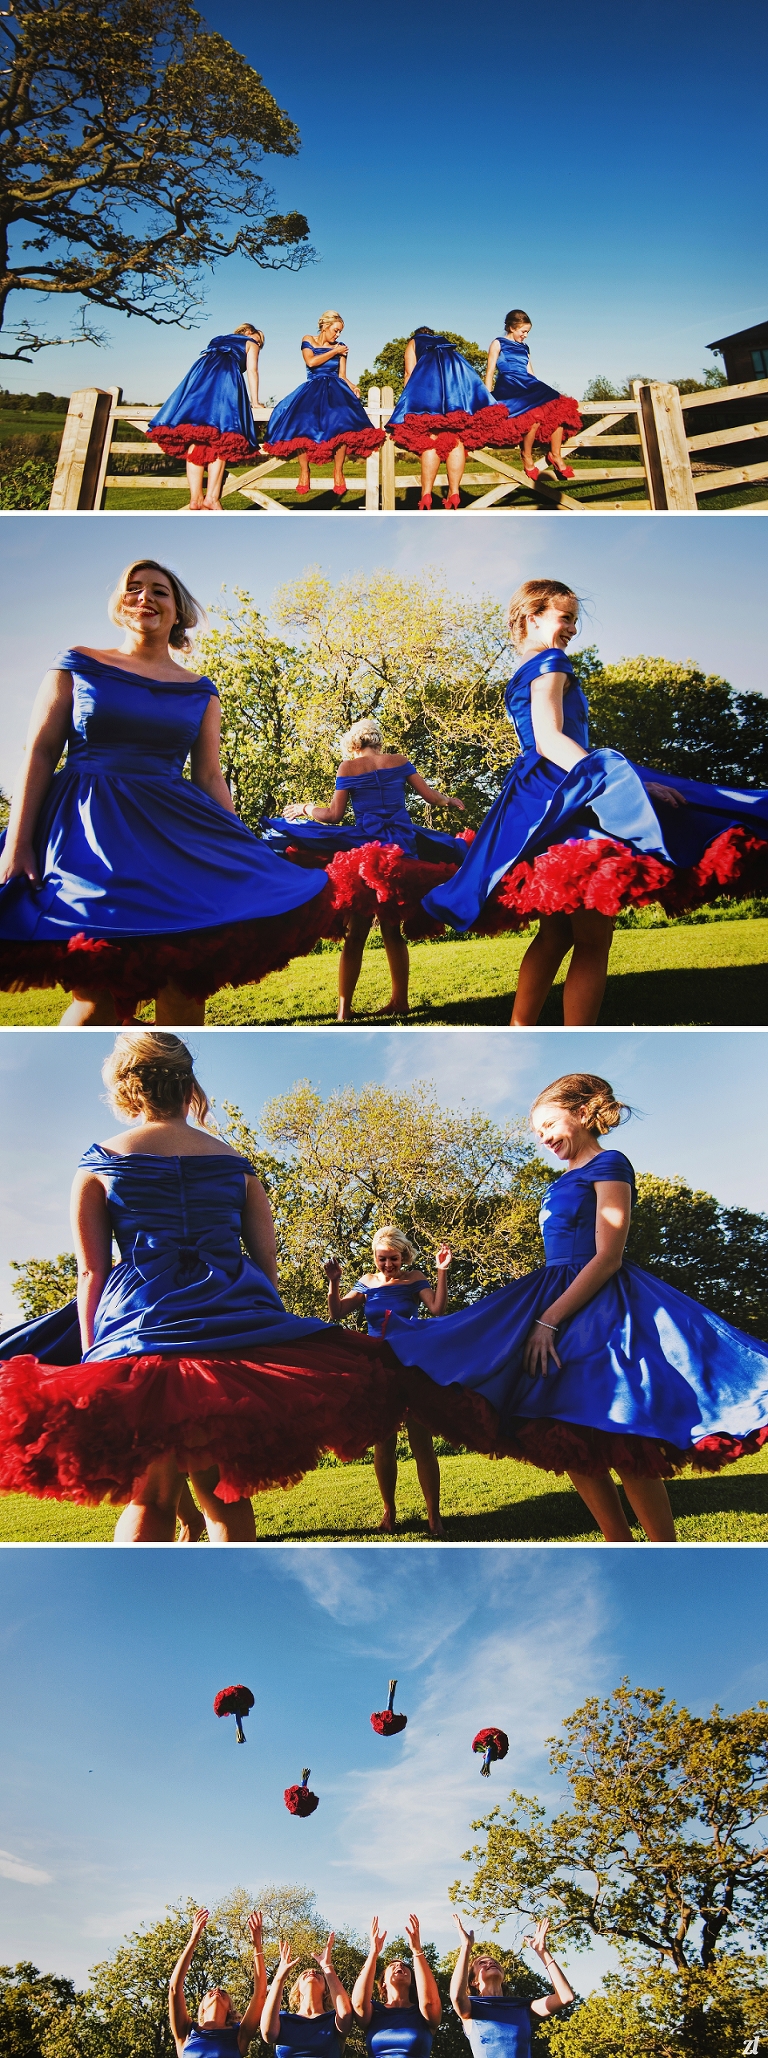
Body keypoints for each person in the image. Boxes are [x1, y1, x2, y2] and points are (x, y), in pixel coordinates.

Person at [0, 1032, 418, 1541]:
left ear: (128, 1088)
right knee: (224, 1493)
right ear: (188, 1085)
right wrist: (272, 1336)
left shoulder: (99, 1164)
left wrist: (94, 1356)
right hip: (234, 1333)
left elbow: (91, 1272)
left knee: (151, 1498)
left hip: (142, 1331)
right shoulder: (236, 1166)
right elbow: (266, 1262)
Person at [360, 1073, 768, 1543]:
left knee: (620, 1428)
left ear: (584, 1112)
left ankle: (663, 1547)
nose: (544, 1138)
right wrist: (541, 1315)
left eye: (549, 1125)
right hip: (548, 1293)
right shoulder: (559, 1182)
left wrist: (548, 1321)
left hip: (598, 1306)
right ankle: (618, 1543)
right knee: (564, 1429)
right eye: (538, 1132)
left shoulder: (610, 1164)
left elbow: (608, 1256)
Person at [421, 578, 768, 1025]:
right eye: (565, 617)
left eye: (574, 620)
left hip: (536, 796)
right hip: (565, 791)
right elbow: (550, 739)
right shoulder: (550, 661)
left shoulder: (524, 667)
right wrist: (629, 785)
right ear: (533, 616)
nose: (572, 629)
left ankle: (519, 1028)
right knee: (592, 939)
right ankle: (572, 1036)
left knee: (555, 936)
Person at [0, 559, 331, 1025]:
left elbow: (210, 776)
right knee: (96, 995)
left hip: (173, 842)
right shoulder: (77, 663)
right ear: (119, 604)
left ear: (178, 612)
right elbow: (39, 753)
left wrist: (243, 846)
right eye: (134, 588)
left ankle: (170, 1061)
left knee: (183, 987)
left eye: (159, 591)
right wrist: (17, 844)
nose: (145, 597)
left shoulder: (200, 691)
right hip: (88, 839)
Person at [261, 716, 467, 1019]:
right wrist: (449, 800)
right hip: (401, 850)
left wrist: (305, 808)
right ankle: (400, 1002)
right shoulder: (399, 761)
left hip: (367, 852)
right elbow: (431, 797)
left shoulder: (348, 768)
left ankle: (344, 1010)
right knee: (392, 929)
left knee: (356, 932)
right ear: (377, 741)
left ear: (353, 744)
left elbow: (333, 816)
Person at [325, 1225, 453, 1535]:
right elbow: (337, 1312)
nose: (387, 1265)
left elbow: (437, 1309)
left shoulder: (414, 1278)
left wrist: (441, 1271)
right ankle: (389, 1512)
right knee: (383, 1445)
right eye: (382, 1259)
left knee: (421, 1442)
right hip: (377, 1368)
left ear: (403, 1255)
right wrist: (334, 1281)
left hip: (411, 1364)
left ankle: (434, 1516)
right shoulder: (367, 1282)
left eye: (393, 1258)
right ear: (374, 1257)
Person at [386, 329, 515, 507]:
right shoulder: (443, 342)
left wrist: (407, 402)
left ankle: (426, 495)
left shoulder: (414, 341)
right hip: (456, 379)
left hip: (430, 382)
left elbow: (409, 373)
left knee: (431, 438)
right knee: (456, 439)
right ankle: (454, 493)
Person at [262, 314, 384, 497]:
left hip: (336, 388)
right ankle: (304, 470)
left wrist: (353, 386)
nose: (338, 334)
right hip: (312, 387)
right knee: (300, 423)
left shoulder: (341, 347)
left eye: (340, 331)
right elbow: (311, 362)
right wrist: (334, 352)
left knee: (342, 424)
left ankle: (338, 470)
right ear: (325, 326)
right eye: (336, 330)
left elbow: (342, 375)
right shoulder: (308, 339)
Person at [149, 326, 264, 511]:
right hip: (225, 379)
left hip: (200, 380)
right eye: (259, 341)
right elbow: (252, 371)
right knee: (222, 437)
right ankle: (211, 498)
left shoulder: (217, 339)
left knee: (197, 437)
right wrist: (255, 402)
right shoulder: (251, 343)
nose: (258, 345)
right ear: (249, 333)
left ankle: (195, 498)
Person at [450, 1914, 574, 2055]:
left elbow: (566, 1997)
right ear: (473, 1981)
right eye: (482, 1963)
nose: (491, 1962)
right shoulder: (471, 2008)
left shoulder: (523, 2008)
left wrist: (542, 1952)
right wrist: (466, 1947)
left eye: (494, 1962)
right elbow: (456, 1996)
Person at [485, 311, 581, 482]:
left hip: (527, 382)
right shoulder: (498, 343)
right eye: (523, 331)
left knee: (558, 405)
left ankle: (555, 454)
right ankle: (526, 455)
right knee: (533, 414)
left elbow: (530, 372)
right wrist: (486, 397)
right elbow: (490, 371)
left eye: (528, 332)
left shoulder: (525, 347)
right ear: (512, 328)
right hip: (509, 385)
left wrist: (538, 390)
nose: (526, 335)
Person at [169, 1905, 266, 2058]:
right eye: (209, 1992)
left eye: (224, 1992)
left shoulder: (239, 2034)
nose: (217, 1990)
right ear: (202, 2009)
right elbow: (174, 1988)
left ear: (230, 2009)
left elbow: (260, 1994)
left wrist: (257, 1945)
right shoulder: (187, 2032)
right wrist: (194, 1938)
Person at [352, 1916, 441, 2057]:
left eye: (405, 1966)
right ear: (383, 1983)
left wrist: (417, 1951)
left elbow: (430, 2002)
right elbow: (358, 2004)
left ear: (413, 1981)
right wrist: (373, 1952)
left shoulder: (421, 2013)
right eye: (392, 1966)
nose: (399, 1965)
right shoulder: (374, 2012)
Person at [261, 1934, 352, 2058]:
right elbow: (267, 2033)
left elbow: (345, 2013)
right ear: (297, 1990)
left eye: (318, 1973)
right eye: (305, 1973)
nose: (312, 1971)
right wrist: (279, 1977)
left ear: (326, 1990)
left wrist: (326, 1967)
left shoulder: (333, 2020)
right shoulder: (283, 2019)